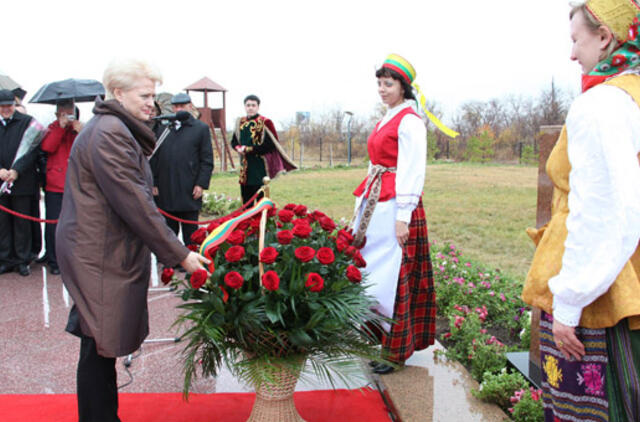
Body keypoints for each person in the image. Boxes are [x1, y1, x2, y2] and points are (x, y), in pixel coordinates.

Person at [56, 58, 209, 422]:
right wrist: (181, 255)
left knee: (98, 341)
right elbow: (136, 205)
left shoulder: (110, 127)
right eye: (144, 95)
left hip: (98, 247)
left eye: (154, 96)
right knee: (98, 342)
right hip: (96, 252)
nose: (150, 104)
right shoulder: (109, 132)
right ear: (118, 93)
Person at [522, 1, 640, 420]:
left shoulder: (600, 106)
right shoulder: (633, 96)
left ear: (605, 37)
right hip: (629, 276)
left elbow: (602, 213)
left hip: (600, 289)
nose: (572, 54)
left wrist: (568, 305)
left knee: (595, 406)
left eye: (577, 40)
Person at [351, 54, 436, 374]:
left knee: (392, 276)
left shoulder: (410, 121)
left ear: (404, 87)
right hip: (378, 201)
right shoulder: (388, 116)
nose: (382, 89)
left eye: (389, 83)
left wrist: (404, 216)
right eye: (380, 83)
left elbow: (413, 170)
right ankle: (384, 339)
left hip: (395, 206)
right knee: (376, 271)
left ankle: (396, 349)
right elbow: (376, 165)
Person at [150, 92, 213, 249]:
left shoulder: (200, 129)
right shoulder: (163, 129)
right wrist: (154, 182)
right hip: (166, 187)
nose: (179, 109)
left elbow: (206, 160)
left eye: (182, 106)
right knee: (168, 230)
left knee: (190, 233)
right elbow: (154, 158)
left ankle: (191, 263)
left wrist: (201, 184)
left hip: (189, 188)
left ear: (190, 106)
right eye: (176, 106)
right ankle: (172, 263)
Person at [39, 101, 82, 275]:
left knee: (76, 224)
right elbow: (47, 147)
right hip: (55, 184)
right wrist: (60, 127)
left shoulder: (79, 129)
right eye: (63, 113)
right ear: (57, 115)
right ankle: (54, 259)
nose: (67, 117)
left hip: (76, 183)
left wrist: (80, 131)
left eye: (70, 113)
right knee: (53, 224)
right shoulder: (51, 128)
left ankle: (74, 257)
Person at [0, 89, 40, 276]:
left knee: (22, 222)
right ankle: (6, 259)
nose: (6, 109)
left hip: (22, 181)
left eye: (9, 105)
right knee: (3, 223)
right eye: (2, 106)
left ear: (14, 105)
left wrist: (17, 170)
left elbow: (32, 150)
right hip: (1, 182)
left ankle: (23, 259)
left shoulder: (27, 122)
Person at [230, 95, 297, 204]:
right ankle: (247, 220)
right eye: (248, 105)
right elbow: (234, 141)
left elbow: (270, 145)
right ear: (245, 107)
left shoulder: (265, 122)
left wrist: (248, 149)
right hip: (245, 168)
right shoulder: (240, 122)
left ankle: (261, 220)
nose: (250, 108)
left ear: (258, 107)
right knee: (246, 201)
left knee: (261, 200)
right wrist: (238, 148)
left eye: (253, 105)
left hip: (259, 167)